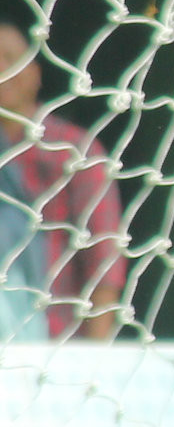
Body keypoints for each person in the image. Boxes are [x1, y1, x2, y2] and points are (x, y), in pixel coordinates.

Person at [0, 20, 127, 338]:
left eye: (10, 58)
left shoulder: (73, 151)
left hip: (57, 343)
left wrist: (95, 357)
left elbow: (103, 257)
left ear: (35, 73)